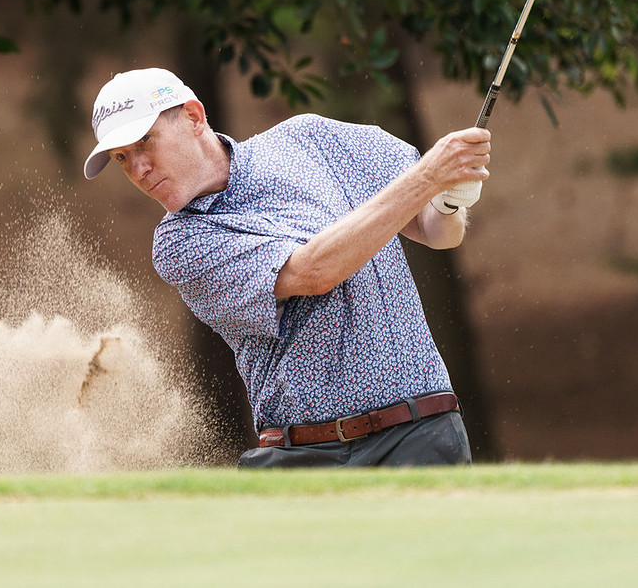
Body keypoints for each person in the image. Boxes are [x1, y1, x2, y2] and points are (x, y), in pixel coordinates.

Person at [83, 67, 491, 468]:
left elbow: (436, 231)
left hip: (421, 433)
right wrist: (428, 178)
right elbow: (314, 273)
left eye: (145, 141)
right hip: (307, 455)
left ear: (193, 116)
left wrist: (448, 198)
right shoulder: (180, 243)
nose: (138, 169)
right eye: (122, 158)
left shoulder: (310, 139)